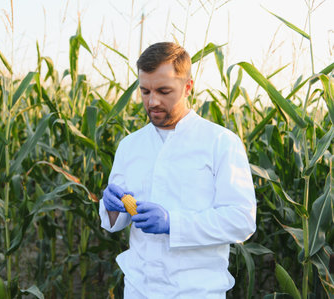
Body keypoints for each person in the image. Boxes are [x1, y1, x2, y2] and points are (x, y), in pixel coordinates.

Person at [99, 42, 256, 298]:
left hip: (196, 290)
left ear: (188, 87)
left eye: (163, 90)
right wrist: (110, 206)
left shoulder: (220, 142)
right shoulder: (129, 146)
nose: (153, 101)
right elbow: (115, 222)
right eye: (145, 91)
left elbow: (241, 221)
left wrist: (174, 223)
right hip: (139, 288)